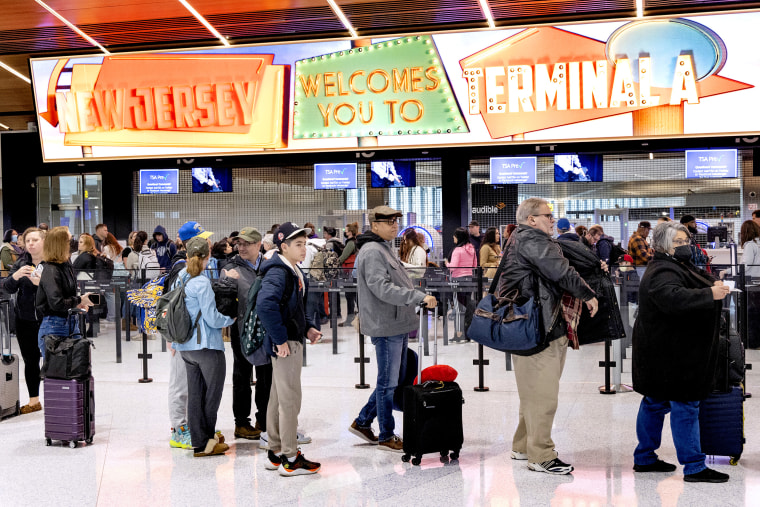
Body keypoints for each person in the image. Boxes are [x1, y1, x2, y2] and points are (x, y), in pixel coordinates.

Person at [497, 197, 598, 475]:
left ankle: (522, 446)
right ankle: (541, 454)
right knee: (543, 395)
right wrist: (587, 294)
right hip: (540, 326)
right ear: (531, 219)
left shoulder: (520, 239)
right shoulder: (534, 240)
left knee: (533, 391)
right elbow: (560, 271)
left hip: (528, 325)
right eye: (547, 216)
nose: (552, 220)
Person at [632, 221, 730, 483]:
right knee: (685, 404)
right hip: (672, 355)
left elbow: (691, 281)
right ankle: (694, 466)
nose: (684, 246)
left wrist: (713, 284)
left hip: (661, 352)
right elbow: (673, 297)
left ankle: (644, 457)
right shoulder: (662, 271)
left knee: (654, 402)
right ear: (664, 245)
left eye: (685, 241)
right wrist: (710, 293)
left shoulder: (671, 265)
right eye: (678, 242)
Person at [349, 206, 437, 452]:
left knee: (393, 379)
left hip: (394, 322)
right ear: (374, 226)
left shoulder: (383, 248)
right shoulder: (373, 251)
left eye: (395, 221)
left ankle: (363, 421)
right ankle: (386, 434)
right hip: (385, 325)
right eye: (387, 222)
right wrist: (416, 296)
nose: (393, 225)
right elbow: (381, 288)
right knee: (388, 382)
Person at [257, 222, 322, 475]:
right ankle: (290, 458)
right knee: (290, 400)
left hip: (290, 339)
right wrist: (281, 339)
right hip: (285, 345)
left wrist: (307, 328)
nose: (303, 248)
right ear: (283, 246)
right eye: (298, 244)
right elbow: (266, 305)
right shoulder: (279, 272)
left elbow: (292, 308)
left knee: (278, 398)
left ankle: (275, 452)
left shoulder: (292, 269)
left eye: (305, 243)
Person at [173, 236, 236, 457]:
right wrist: (230, 319)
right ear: (206, 257)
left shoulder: (179, 278)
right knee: (212, 396)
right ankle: (208, 441)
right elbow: (212, 318)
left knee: (195, 395)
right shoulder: (201, 283)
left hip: (185, 347)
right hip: (206, 346)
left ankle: (198, 442)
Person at [164, 221, 213, 450]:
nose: (208, 241)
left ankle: (192, 424)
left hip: (195, 337)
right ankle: (178, 429)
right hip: (181, 337)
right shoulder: (180, 268)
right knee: (180, 383)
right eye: (203, 237)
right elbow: (172, 305)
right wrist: (173, 337)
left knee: (194, 383)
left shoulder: (198, 266)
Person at [220, 227, 266, 441]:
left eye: (247, 243)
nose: (242, 247)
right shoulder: (230, 268)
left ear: (259, 245)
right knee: (242, 376)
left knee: (267, 376)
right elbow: (223, 302)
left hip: (266, 330)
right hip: (241, 332)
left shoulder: (269, 265)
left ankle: (264, 419)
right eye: (240, 243)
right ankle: (241, 423)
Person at [35, 226, 95, 358]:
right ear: (61, 244)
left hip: (71, 322)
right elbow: (56, 303)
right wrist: (79, 300)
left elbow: (65, 295)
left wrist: (77, 303)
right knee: (58, 372)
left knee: (75, 368)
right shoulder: (51, 269)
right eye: (70, 239)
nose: (73, 242)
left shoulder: (66, 265)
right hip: (54, 326)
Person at [3, 228, 45, 414]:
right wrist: (16, 276)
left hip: (50, 319)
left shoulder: (54, 263)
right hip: (25, 319)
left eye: (35, 240)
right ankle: (34, 401)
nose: (31, 243)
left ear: (44, 241)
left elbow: (64, 287)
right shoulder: (21, 263)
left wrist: (43, 282)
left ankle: (57, 397)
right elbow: (8, 288)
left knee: (54, 361)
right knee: (31, 360)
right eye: (28, 240)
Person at [446, 227, 478, 340]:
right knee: (468, 307)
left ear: (458, 237)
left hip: (458, 281)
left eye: (454, 235)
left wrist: (447, 263)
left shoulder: (457, 250)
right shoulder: (471, 249)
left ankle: (459, 335)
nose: (453, 237)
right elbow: (474, 265)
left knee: (459, 308)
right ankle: (467, 333)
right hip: (469, 280)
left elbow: (453, 267)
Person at [337, 222, 359, 327]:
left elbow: (344, 256)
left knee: (349, 295)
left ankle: (350, 319)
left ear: (350, 232)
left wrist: (336, 263)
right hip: (353, 273)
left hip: (348, 273)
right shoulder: (355, 242)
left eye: (346, 230)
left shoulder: (350, 243)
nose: (345, 232)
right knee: (354, 296)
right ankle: (354, 319)